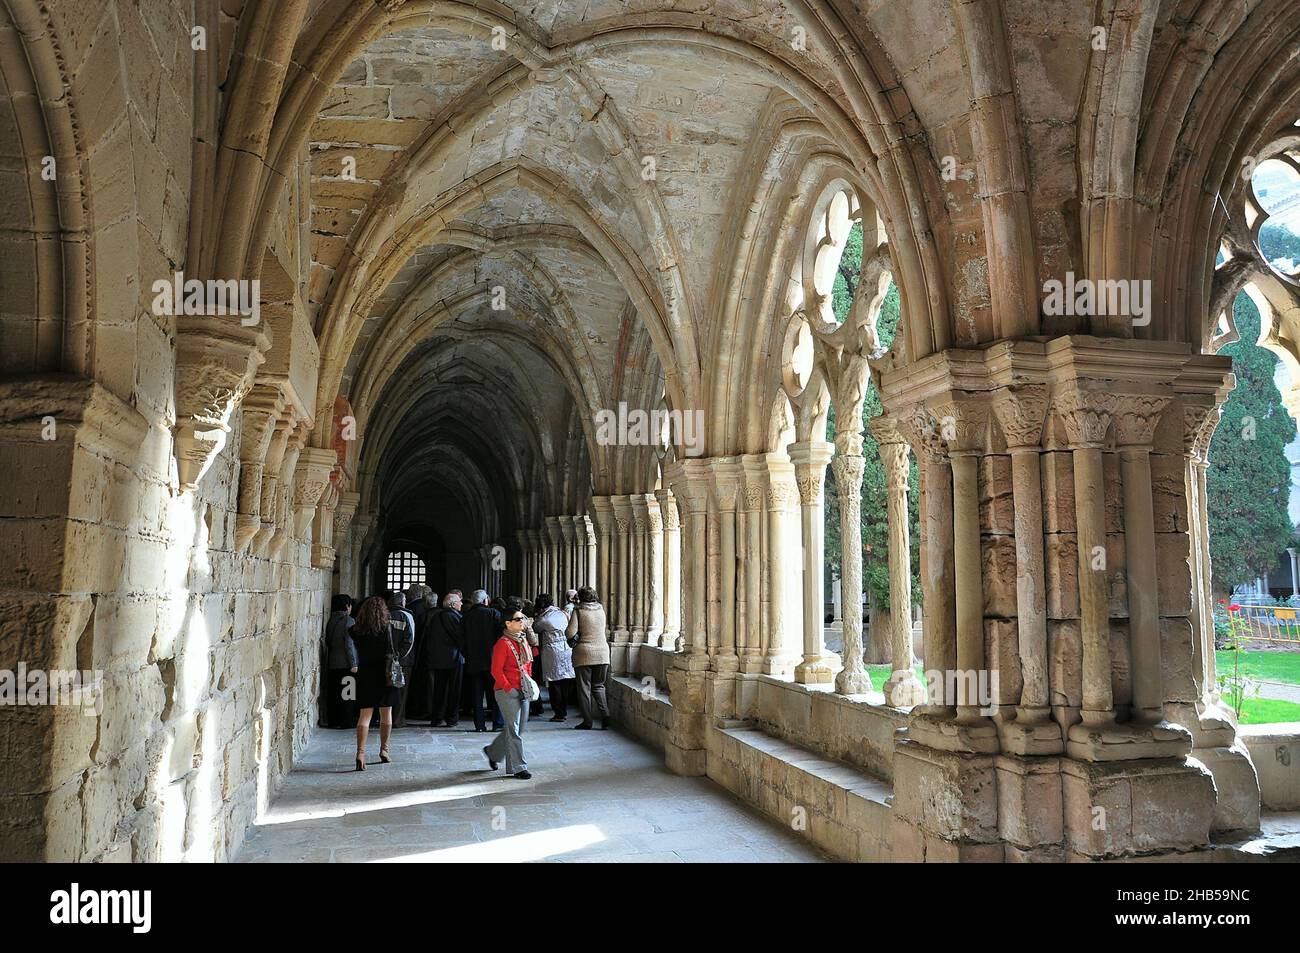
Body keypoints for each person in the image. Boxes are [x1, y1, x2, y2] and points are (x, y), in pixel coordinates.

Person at [483, 599, 533, 780]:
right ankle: (519, 767)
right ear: (508, 623)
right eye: (519, 619)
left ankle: (493, 752)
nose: (523, 622)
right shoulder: (502, 644)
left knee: (518, 730)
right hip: (506, 691)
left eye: (523, 618)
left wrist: (529, 684)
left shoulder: (523, 641)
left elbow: (527, 665)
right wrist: (508, 688)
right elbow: (496, 670)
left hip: (523, 689)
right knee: (514, 730)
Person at [352, 596, 403, 770]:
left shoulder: (354, 630)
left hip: (366, 673)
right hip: (385, 674)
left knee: (364, 715)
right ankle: (384, 750)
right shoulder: (388, 628)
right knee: (386, 713)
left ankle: (360, 753)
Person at [566, 586, 610, 730]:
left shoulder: (578, 611)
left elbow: (570, 633)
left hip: (584, 653)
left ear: (580, 597)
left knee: (584, 688)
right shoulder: (601, 609)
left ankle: (587, 721)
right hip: (603, 652)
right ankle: (606, 716)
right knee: (599, 686)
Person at [463, 589, 504, 732]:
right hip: (492, 659)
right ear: (485, 600)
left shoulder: (466, 616)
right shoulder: (493, 614)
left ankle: (479, 725)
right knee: (496, 693)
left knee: (477, 695)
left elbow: (461, 640)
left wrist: (467, 654)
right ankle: (498, 723)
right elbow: (502, 635)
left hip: (473, 661)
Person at [532, 593, 575, 721]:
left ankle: (559, 713)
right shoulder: (563, 613)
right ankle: (564, 710)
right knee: (565, 680)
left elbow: (535, 628)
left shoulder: (544, 618)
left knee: (554, 682)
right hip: (566, 649)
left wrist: (537, 615)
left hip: (552, 651)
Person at [427, 591, 465, 726]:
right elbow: (460, 637)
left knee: (439, 690)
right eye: (459, 602)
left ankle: (437, 718)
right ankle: (452, 718)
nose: (461, 603)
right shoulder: (455, 617)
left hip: (438, 659)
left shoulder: (435, 617)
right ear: (453, 604)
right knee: (454, 690)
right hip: (453, 659)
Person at [323, 594, 357, 729]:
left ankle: (334, 720)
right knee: (348, 693)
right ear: (347, 606)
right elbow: (349, 644)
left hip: (333, 661)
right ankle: (346, 720)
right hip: (345, 662)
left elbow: (328, 641)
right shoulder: (349, 621)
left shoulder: (331, 620)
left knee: (335, 693)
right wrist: (353, 663)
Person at [386, 590, 417, 728]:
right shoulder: (407, 616)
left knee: (388, 689)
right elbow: (409, 640)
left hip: (386, 658)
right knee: (401, 690)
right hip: (403, 660)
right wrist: (399, 656)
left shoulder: (385, 615)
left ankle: (386, 718)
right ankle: (398, 719)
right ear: (403, 602)